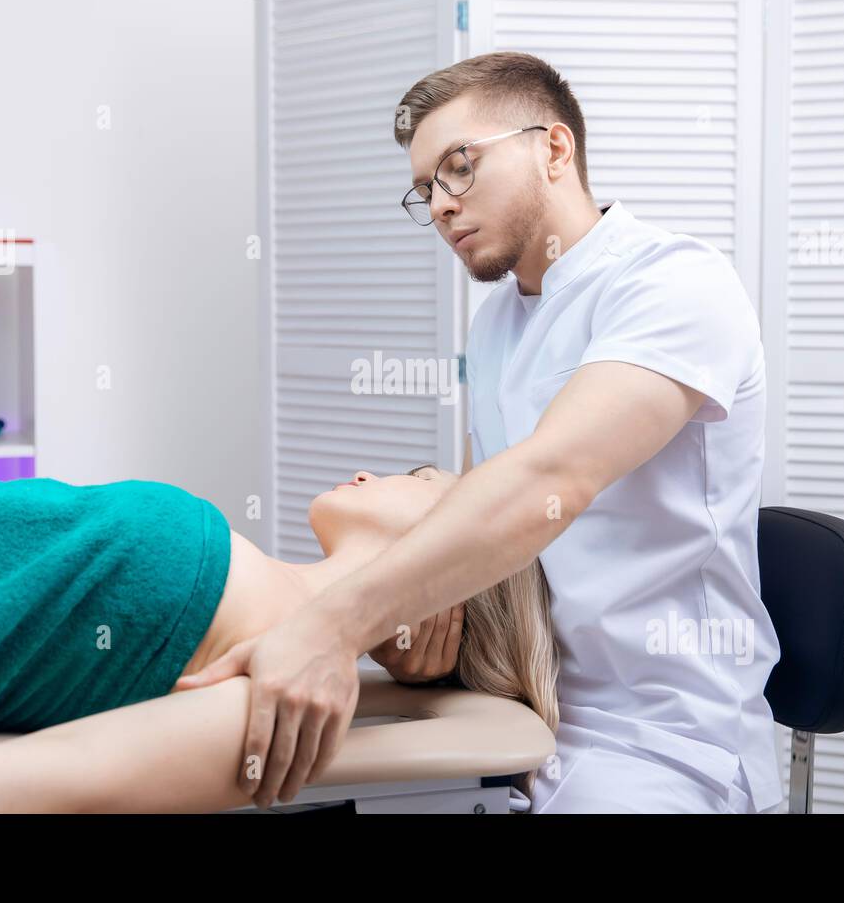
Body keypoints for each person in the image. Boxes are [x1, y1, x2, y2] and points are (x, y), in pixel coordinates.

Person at [180, 50, 785, 814]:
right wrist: (435, 613)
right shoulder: (500, 319)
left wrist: (330, 627)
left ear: (553, 148)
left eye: (458, 167)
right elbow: (489, 514)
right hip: (523, 704)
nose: (438, 204)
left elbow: (548, 481)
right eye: (424, 188)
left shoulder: (674, 283)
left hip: (661, 737)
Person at [0, 468, 557, 811]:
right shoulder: (278, 606)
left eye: (422, 484)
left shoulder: (281, 679)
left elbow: (62, 780)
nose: (382, 474)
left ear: (450, 586)